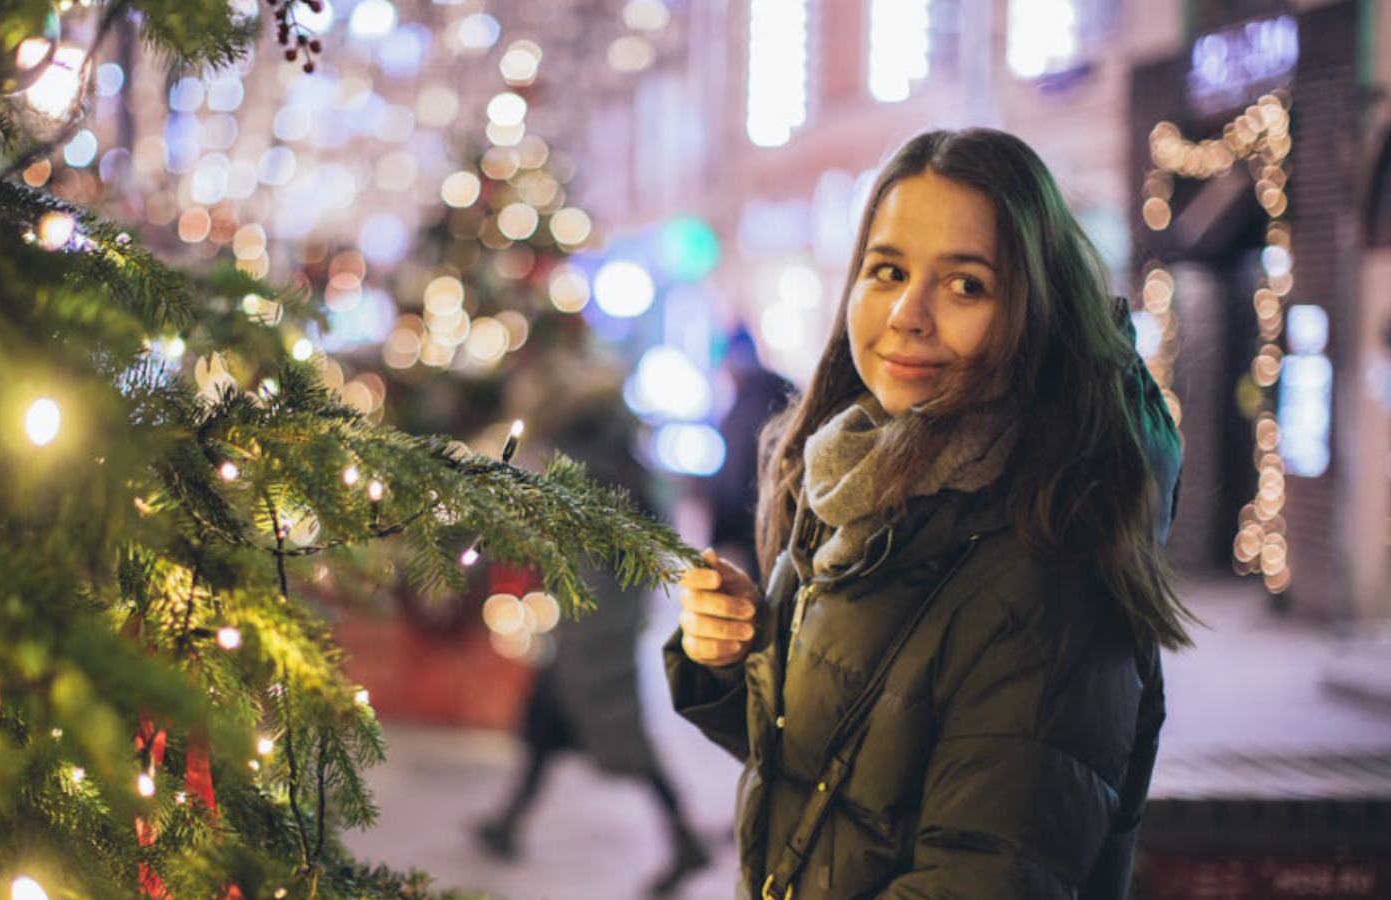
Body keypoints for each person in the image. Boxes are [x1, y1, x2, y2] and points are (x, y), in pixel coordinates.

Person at [665, 128, 1196, 899]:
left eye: (966, 285)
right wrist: (732, 657)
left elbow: (986, 877)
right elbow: (826, 775)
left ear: (1034, 312)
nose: (909, 314)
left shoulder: (1044, 568)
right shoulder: (859, 484)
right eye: (888, 270)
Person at [476, 344, 709, 897]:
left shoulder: (589, 451)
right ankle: (509, 821)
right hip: (590, 606)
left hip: (597, 614)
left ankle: (683, 838)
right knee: (546, 718)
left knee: (613, 725)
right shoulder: (606, 443)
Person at [706, 327, 794, 585]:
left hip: (754, 523)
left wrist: (722, 533)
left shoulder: (744, 408)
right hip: (785, 523)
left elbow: (734, 473)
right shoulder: (784, 392)